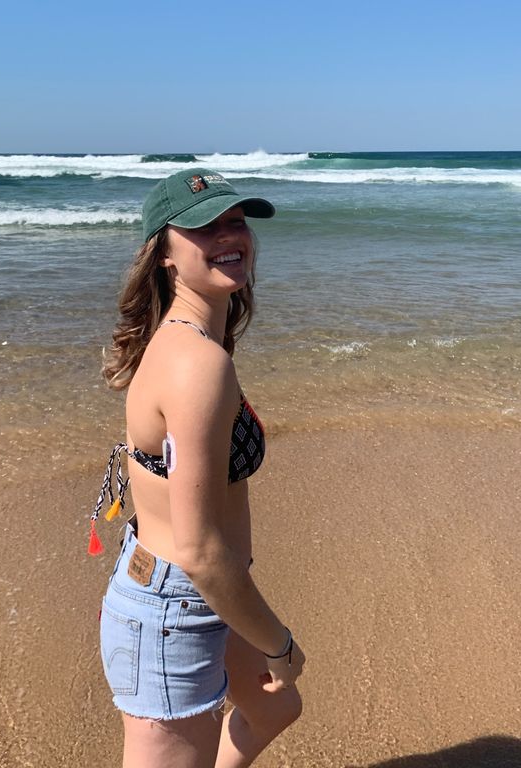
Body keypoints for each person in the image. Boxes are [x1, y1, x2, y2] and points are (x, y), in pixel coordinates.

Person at [90, 168, 305, 767]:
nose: (228, 235)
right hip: (176, 609)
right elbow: (202, 550)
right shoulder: (196, 364)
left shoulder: (193, 341)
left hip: (193, 594)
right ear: (162, 253)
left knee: (273, 708)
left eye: (235, 221)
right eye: (203, 227)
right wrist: (279, 644)